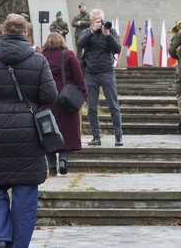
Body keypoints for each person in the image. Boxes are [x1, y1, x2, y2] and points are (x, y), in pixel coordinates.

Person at [0, 13, 58, 248]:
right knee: (25, 193)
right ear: (26, 33)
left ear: (3, 31)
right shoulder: (38, 61)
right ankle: (19, 244)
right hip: (29, 132)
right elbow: (50, 96)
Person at [41, 32, 87, 176]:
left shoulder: (41, 56)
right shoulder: (68, 55)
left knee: (47, 131)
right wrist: (82, 95)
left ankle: (51, 165)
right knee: (67, 130)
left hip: (46, 97)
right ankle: (63, 160)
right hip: (65, 98)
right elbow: (79, 77)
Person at [77, 9, 123, 146]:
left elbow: (117, 49)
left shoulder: (110, 31)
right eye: (97, 20)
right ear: (91, 21)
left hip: (107, 72)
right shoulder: (87, 32)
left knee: (113, 105)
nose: (100, 22)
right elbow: (80, 43)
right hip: (90, 73)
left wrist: (107, 35)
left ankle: (118, 136)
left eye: (101, 20)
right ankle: (96, 136)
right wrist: (92, 31)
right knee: (91, 107)